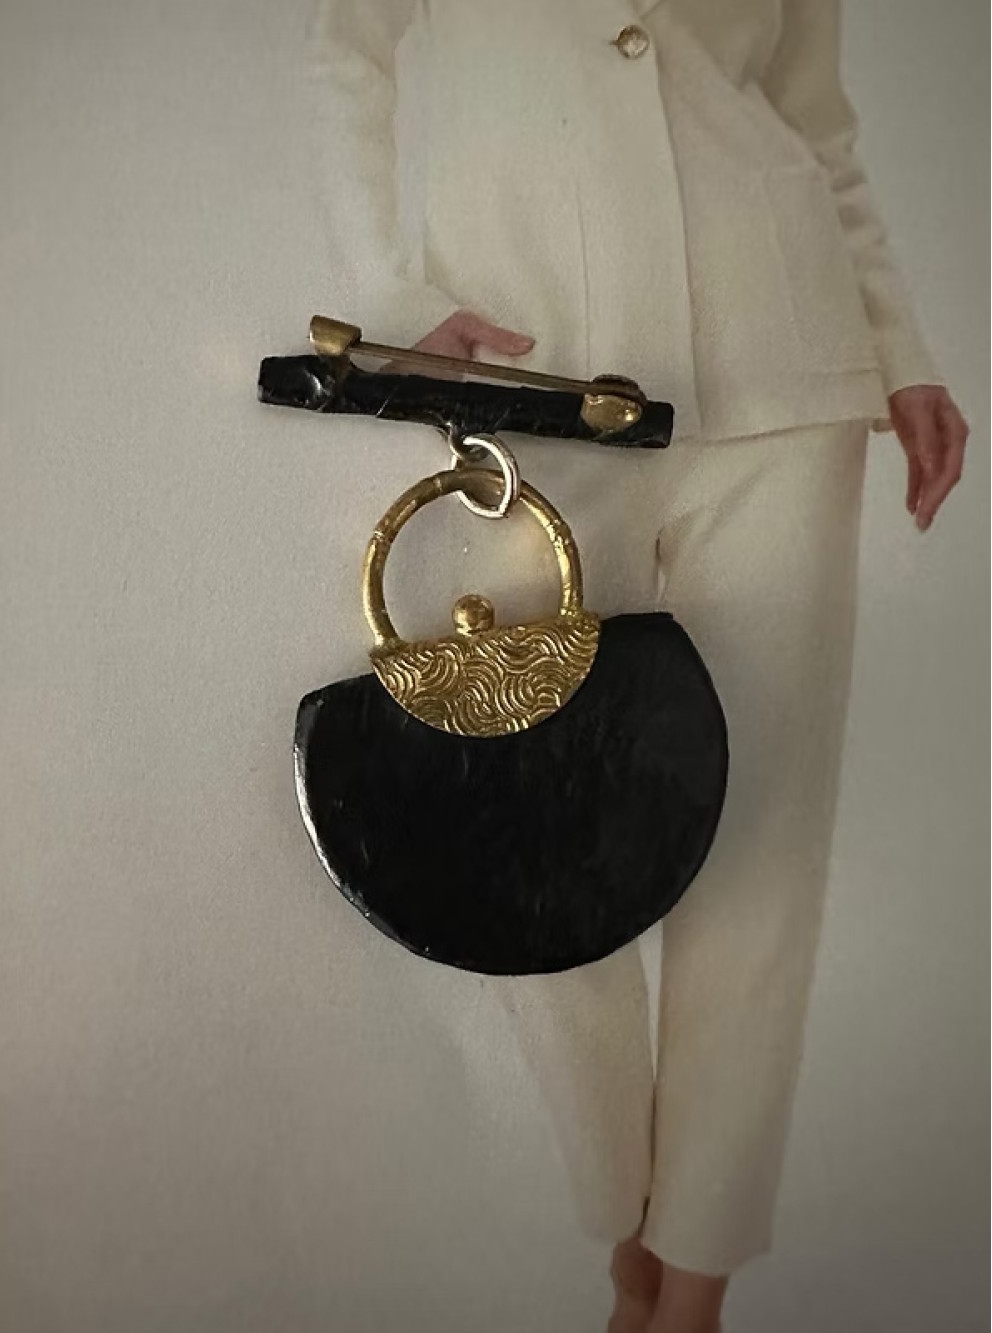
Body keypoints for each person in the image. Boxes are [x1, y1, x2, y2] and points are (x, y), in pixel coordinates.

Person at [307, 3, 970, 1331]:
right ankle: (629, 1230)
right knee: (528, 825)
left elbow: (815, 123)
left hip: (782, 366)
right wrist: (395, 297)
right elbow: (340, 46)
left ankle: (693, 1289)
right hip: (528, 371)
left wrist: (898, 347)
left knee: (762, 836)